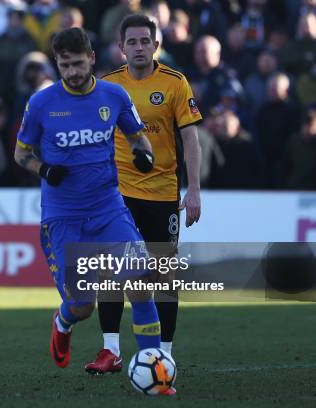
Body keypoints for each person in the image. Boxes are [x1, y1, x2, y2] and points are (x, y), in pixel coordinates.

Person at [14, 27, 173, 395]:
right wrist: (44, 169)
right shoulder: (41, 104)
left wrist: (143, 153)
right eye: (64, 65)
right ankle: (64, 321)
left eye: (77, 63)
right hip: (63, 217)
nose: (71, 71)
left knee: (141, 280)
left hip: (107, 208)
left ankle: (155, 371)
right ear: (57, 63)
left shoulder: (113, 96)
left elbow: (138, 136)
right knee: (83, 305)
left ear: (92, 59)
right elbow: (21, 154)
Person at [84, 14, 203, 376]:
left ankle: (163, 354)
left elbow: (190, 138)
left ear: (156, 45)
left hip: (162, 193)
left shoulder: (175, 83)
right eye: (131, 42)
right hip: (116, 196)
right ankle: (111, 351)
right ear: (121, 48)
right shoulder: (106, 85)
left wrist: (193, 187)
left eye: (144, 41)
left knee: (162, 277)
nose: (138, 47)